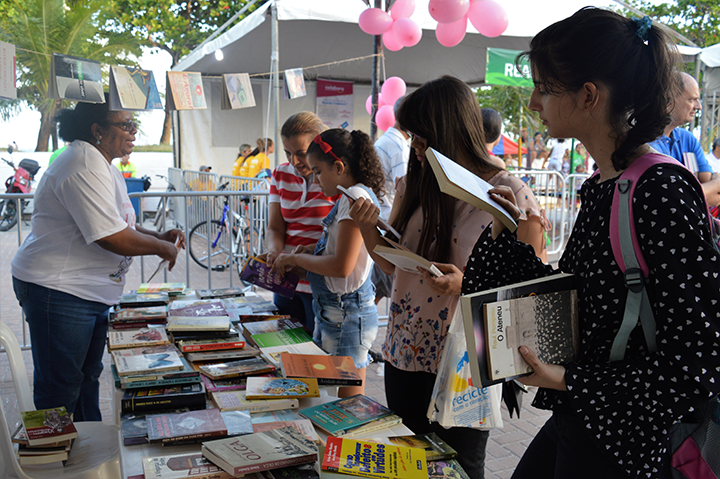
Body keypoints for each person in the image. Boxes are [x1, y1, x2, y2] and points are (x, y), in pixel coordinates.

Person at [465, 9, 720, 479]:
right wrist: (507, 228)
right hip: (588, 419)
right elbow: (583, 297)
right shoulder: (608, 181)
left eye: (544, 87)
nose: (534, 103)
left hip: (627, 443)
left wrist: (567, 379)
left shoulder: (660, 188)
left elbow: (696, 359)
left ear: (587, 95)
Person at [349, 76, 548, 479]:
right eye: (412, 139)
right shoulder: (414, 182)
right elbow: (392, 266)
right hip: (405, 346)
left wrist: (466, 283)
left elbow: (530, 287)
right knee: (408, 456)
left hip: (465, 359)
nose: (416, 149)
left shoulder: (507, 190)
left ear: (451, 131)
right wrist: (370, 229)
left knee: (458, 466)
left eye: (422, 138)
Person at [11, 97, 185, 421]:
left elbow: (119, 221)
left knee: (87, 376)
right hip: (58, 290)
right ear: (97, 130)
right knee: (59, 389)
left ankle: (88, 450)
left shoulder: (101, 162)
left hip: (84, 291)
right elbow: (112, 237)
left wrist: (158, 236)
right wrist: (162, 249)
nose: (133, 133)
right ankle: (55, 461)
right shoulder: (83, 164)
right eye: (126, 125)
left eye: (135, 126)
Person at [271, 129, 385, 398]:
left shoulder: (354, 198)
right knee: (335, 395)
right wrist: (313, 249)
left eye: (318, 171)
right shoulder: (349, 196)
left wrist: (295, 258)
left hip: (346, 312)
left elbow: (341, 266)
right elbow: (341, 250)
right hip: (337, 310)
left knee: (345, 405)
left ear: (339, 166)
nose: (315, 179)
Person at [265, 112, 336, 333]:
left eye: (301, 153)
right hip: (287, 281)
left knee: (318, 356)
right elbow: (275, 227)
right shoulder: (280, 174)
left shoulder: (333, 177)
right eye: (287, 153)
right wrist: (274, 252)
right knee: (285, 351)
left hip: (321, 283)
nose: (294, 161)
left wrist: (303, 261)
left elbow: (341, 240)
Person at [650, 71, 720, 207]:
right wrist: (716, 184)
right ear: (669, 101)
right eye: (692, 99)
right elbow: (672, 199)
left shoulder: (687, 139)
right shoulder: (646, 145)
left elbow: (712, 188)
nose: (698, 106)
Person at [371, 98, 411, 304]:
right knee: (383, 286)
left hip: (384, 216)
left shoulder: (385, 141)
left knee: (378, 288)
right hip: (389, 220)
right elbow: (404, 188)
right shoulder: (399, 148)